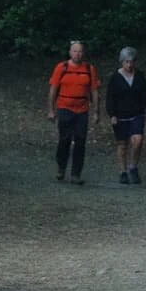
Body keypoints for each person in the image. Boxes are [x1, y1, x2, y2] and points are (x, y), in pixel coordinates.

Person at [46, 39, 101, 184]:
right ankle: (61, 167)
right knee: (64, 139)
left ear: (83, 53)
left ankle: (76, 173)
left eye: (80, 51)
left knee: (80, 141)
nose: (77, 54)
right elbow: (53, 89)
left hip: (82, 109)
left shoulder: (89, 69)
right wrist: (51, 110)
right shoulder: (61, 67)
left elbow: (94, 91)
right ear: (70, 53)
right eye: (75, 51)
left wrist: (96, 111)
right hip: (64, 107)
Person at [107, 46, 146, 184]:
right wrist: (112, 114)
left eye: (132, 61)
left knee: (138, 140)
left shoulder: (140, 76)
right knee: (122, 145)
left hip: (137, 114)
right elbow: (110, 98)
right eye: (127, 61)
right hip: (120, 115)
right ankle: (122, 171)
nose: (129, 64)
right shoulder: (115, 78)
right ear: (122, 62)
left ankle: (133, 167)